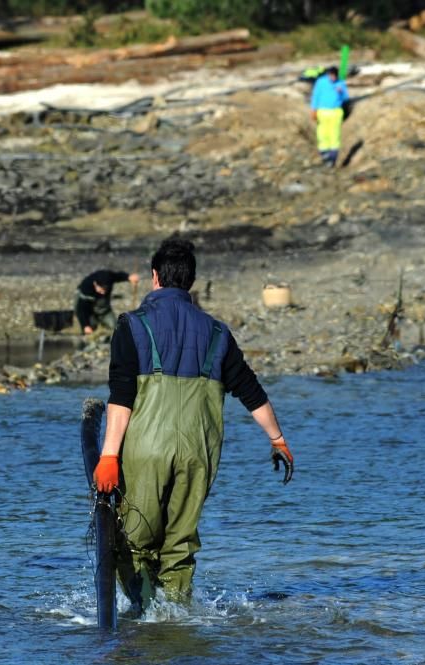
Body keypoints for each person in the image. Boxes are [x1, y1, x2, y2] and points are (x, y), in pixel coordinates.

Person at [92, 238, 294, 614]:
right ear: (192, 282)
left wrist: (108, 455)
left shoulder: (132, 325)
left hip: (146, 449)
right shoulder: (217, 333)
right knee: (180, 541)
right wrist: (278, 440)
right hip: (199, 451)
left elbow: (121, 397)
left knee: (134, 537)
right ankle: (175, 619)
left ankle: (142, 615)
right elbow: (250, 391)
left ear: (154, 277)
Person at [75, 269, 139, 335]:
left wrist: (128, 277)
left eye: (105, 289)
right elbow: (81, 309)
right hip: (88, 310)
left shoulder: (109, 277)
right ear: (95, 284)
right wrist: (85, 325)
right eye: (101, 289)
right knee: (90, 328)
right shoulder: (86, 287)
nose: (103, 292)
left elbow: (118, 276)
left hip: (104, 310)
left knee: (116, 327)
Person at [310, 66, 349, 167]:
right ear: (328, 75)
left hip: (336, 112)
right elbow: (316, 96)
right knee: (322, 133)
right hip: (322, 111)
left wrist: (341, 92)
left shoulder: (341, 83)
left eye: (334, 76)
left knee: (334, 134)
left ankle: (332, 158)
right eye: (331, 75)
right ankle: (324, 154)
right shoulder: (321, 82)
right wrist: (313, 109)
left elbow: (346, 98)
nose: (333, 78)